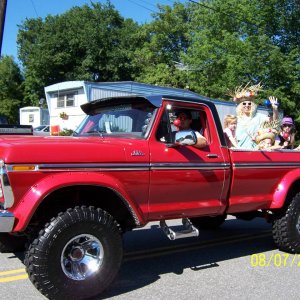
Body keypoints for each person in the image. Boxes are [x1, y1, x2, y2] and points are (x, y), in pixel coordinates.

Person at [229, 83, 279, 149]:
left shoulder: (259, 116)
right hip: (239, 150)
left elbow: (274, 121)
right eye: (244, 103)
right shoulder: (236, 119)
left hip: (256, 150)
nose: (247, 105)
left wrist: (275, 109)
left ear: (252, 105)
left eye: (249, 103)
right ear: (240, 106)